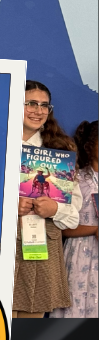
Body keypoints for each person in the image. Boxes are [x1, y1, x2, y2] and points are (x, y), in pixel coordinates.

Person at [13, 80, 82, 318]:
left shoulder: (60, 148)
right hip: (5, 244)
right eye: (31, 103)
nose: (38, 110)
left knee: (29, 332)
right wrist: (9, 207)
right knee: (0, 324)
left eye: (44, 105)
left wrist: (54, 209)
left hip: (42, 247)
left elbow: (73, 216)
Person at [54, 120, 97, 318]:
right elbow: (62, 227)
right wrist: (94, 230)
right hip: (80, 254)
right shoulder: (76, 178)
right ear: (90, 145)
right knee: (75, 307)